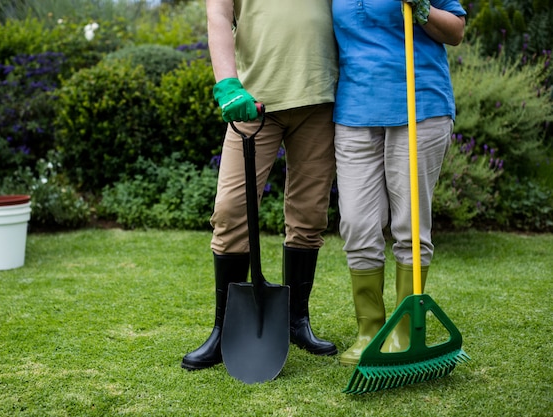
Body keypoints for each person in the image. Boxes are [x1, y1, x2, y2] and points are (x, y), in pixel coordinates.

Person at [181, 0, 339, 370]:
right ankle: (224, 329)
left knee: (309, 214)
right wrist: (227, 84)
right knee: (231, 210)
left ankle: (296, 322)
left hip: (319, 98)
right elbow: (218, 15)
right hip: (254, 101)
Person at [332, 0, 466, 365]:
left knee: (410, 225)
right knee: (356, 224)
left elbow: (455, 31)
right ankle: (370, 331)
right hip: (354, 112)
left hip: (418, 105)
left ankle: (405, 330)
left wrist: (420, 6)